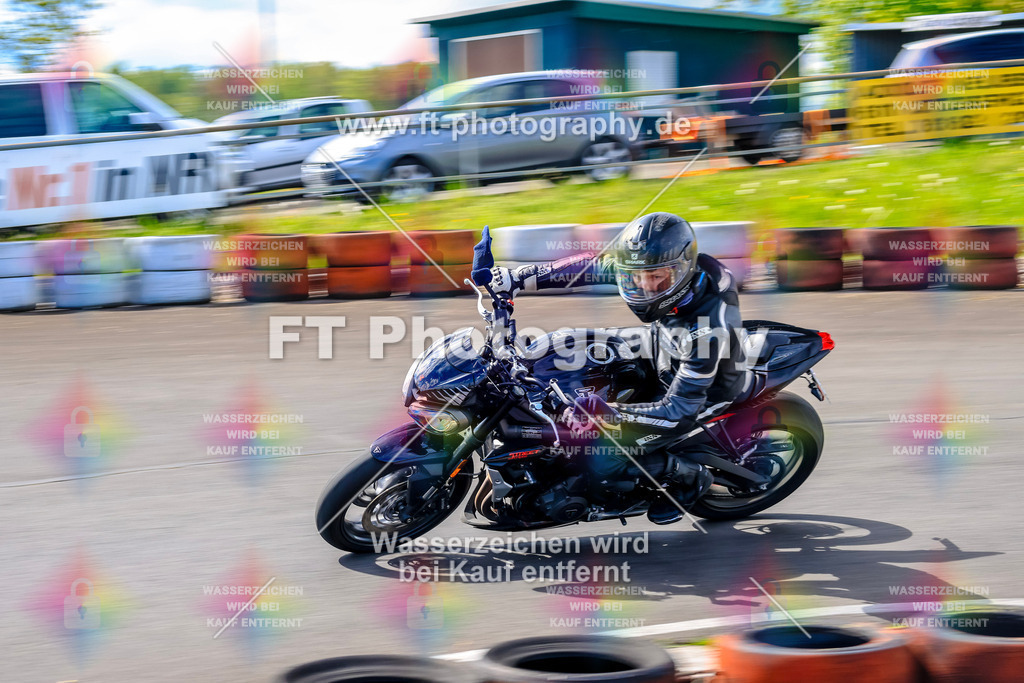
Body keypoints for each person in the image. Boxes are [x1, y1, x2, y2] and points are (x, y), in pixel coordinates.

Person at [489, 212, 749, 523]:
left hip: (703, 393)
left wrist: (609, 413)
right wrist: (516, 277)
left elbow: (679, 411)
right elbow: (591, 266)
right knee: (566, 351)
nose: (645, 286)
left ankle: (690, 478)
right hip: (662, 348)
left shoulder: (707, 329)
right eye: (636, 277)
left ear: (682, 270)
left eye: (656, 279)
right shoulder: (653, 265)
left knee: (598, 453)